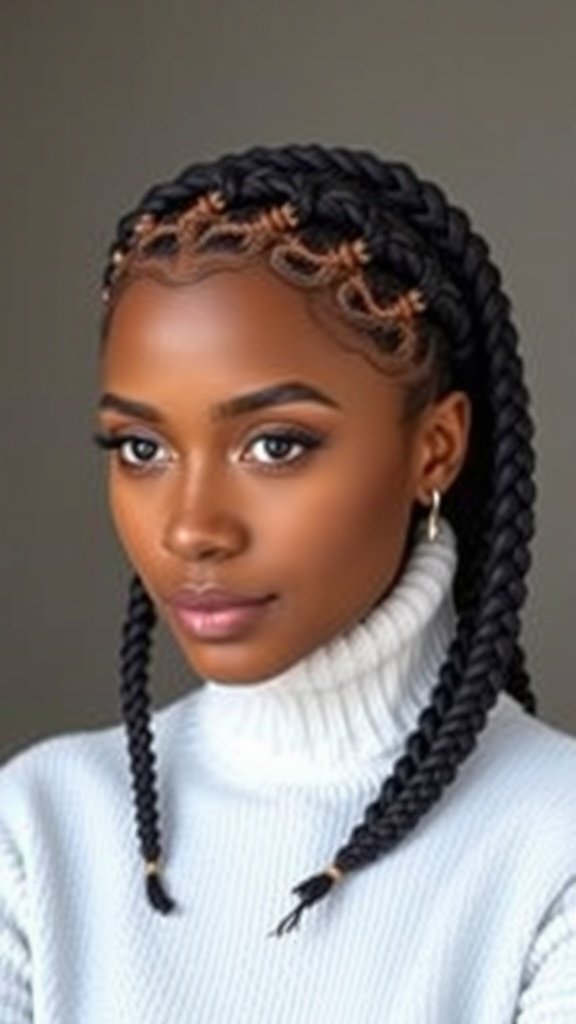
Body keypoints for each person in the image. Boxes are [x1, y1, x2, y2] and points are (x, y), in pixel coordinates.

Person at [1, 143, 575, 1022]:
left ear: (437, 448)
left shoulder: (553, 842)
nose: (191, 526)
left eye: (276, 444)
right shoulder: (36, 833)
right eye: (141, 449)